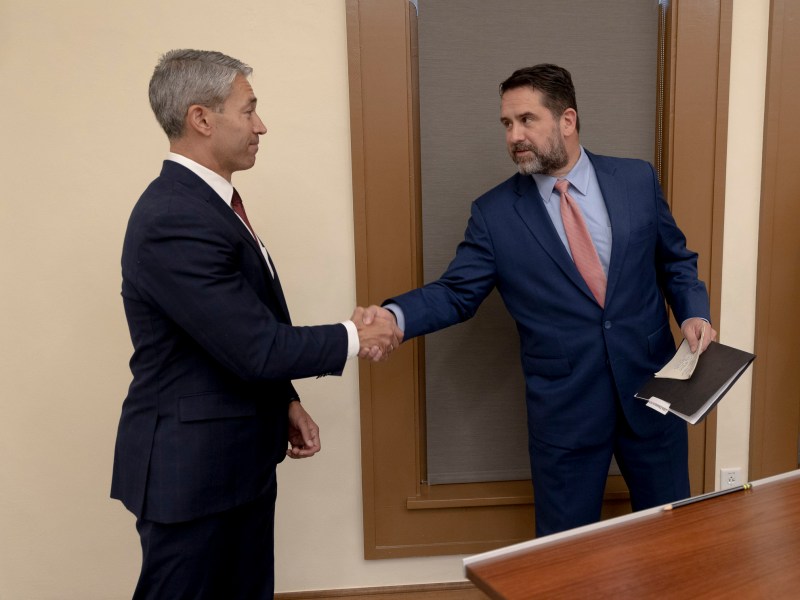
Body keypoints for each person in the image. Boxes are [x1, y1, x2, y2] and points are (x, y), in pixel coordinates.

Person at [375, 64, 716, 537]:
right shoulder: (494, 214)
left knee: (674, 537)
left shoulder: (636, 180)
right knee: (563, 556)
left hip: (653, 396)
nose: (514, 135)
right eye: (506, 124)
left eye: (526, 120)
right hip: (566, 412)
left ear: (567, 120)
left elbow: (675, 261)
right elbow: (456, 293)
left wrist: (694, 312)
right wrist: (394, 317)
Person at [111, 49, 401, 599]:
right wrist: (356, 335)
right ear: (202, 118)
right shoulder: (176, 216)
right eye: (249, 110)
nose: (260, 125)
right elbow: (256, 346)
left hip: (232, 460)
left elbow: (230, 329)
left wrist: (283, 401)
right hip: (192, 474)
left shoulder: (208, 205)